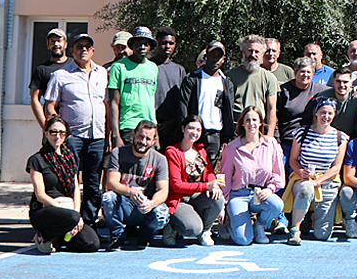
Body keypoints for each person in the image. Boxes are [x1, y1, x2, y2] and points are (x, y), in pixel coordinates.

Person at [42, 32, 108, 225]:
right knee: (68, 179)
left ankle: (88, 222)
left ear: (93, 50)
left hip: (97, 136)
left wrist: (110, 134)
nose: (84, 50)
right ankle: (68, 219)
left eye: (87, 46)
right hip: (72, 137)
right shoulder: (61, 75)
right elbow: (50, 105)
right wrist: (56, 130)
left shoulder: (102, 73)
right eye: (80, 46)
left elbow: (107, 104)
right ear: (72, 50)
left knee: (93, 181)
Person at [27, 116, 100, 253]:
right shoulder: (37, 160)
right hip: (46, 209)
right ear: (46, 133)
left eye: (62, 133)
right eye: (53, 132)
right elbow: (40, 195)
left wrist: (77, 215)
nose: (57, 136)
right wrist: (69, 213)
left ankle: (60, 238)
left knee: (92, 244)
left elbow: (76, 188)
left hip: (70, 211)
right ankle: (43, 236)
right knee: (71, 217)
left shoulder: (70, 158)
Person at [284, 97, 348, 244]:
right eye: (323, 112)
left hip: (327, 182)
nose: (326, 116)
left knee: (322, 235)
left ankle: (311, 217)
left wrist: (318, 182)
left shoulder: (340, 137)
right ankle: (295, 229)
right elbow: (293, 160)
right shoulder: (301, 133)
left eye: (330, 113)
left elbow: (336, 168)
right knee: (306, 189)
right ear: (316, 113)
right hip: (304, 179)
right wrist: (301, 172)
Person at [220, 107, 286, 246]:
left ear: (261, 122)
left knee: (277, 205)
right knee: (244, 240)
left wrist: (271, 188)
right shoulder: (231, 148)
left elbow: (278, 174)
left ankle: (260, 225)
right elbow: (224, 178)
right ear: (242, 124)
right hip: (238, 194)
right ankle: (232, 223)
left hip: (261, 193)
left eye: (254, 119)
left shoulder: (271, 144)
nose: (251, 123)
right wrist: (222, 205)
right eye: (247, 120)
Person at [102, 120, 170, 250]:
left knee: (162, 212)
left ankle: (144, 236)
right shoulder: (118, 153)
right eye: (140, 136)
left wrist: (152, 203)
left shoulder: (160, 159)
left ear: (154, 140)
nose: (143, 142)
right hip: (123, 203)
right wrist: (130, 192)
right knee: (108, 198)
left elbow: (163, 190)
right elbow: (111, 183)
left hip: (145, 206)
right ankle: (118, 235)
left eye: (148, 138)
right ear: (133, 134)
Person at [166, 41, 235, 163]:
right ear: (206, 56)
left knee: (209, 171)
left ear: (223, 59)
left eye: (219, 57)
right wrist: (186, 130)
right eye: (212, 55)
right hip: (195, 132)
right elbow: (183, 107)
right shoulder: (192, 79)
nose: (215, 60)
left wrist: (227, 136)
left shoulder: (226, 82)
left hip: (215, 134)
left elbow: (228, 110)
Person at [163, 115, 224, 246]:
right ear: (183, 128)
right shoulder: (172, 152)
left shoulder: (200, 150)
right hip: (180, 199)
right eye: (191, 128)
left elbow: (209, 173)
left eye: (198, 130)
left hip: (197, 197)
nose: (194, 133)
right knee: (192, 229)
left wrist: (214, 186)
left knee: (218, 198)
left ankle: (205, 231)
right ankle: (172, 226)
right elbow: (177, 185)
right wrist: (207, 186)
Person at [106, 27, 159, 149]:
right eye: (138, 43)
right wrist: (115, 135)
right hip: (128, 126)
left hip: (149, 127)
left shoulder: (153, 68)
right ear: (132, 45)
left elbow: (151, 101)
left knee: (147, 167)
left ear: (150, 47)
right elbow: (113, 102)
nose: (142, 47)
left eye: (146, 44)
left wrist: (157, 133)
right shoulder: (118, 67)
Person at [278, 56, 331, 166]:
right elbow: (275, 116)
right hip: (286, 142)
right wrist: (276, 140)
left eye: (308, 72)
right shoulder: (284, 91)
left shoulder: (320, 90)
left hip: (308, 143)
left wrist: (355, 89)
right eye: (302, 71)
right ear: (295, 72)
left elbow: (340, 90)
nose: (305, 75)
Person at [227, 35, 281, 140]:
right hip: (235, 131)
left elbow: (272, 109)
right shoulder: (230, 76)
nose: (253, 55)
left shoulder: (269, 78)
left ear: (262, 54)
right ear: (243, 51)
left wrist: (269, 136)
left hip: (258, 131)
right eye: (250, 51)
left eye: (257, 52)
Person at [30, 27, 69, 129]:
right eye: (52, 42)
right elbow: (35, 99)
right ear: (48, 45)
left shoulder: (74, 65)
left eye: (59, 41)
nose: (56, 44)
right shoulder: (42, 70)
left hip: (74, 126)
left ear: (65, 44)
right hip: (54, 126)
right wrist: (45, 126)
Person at [322, 67, 357, 139]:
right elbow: (317, 124)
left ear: (351, 83)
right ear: (333, 82)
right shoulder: (324, 97)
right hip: (327, 135)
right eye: (338, 81)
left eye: (345, 82)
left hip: (352, 137)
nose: (342, 85)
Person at [151, 27, 187, 111]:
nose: (168, 46)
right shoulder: (147, 66)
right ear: (157, 43)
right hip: (150, 120)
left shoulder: (179, 70)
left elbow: (183, 99)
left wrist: (173, 121)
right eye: (164, 43)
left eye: (171, 43)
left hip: (173, 122)